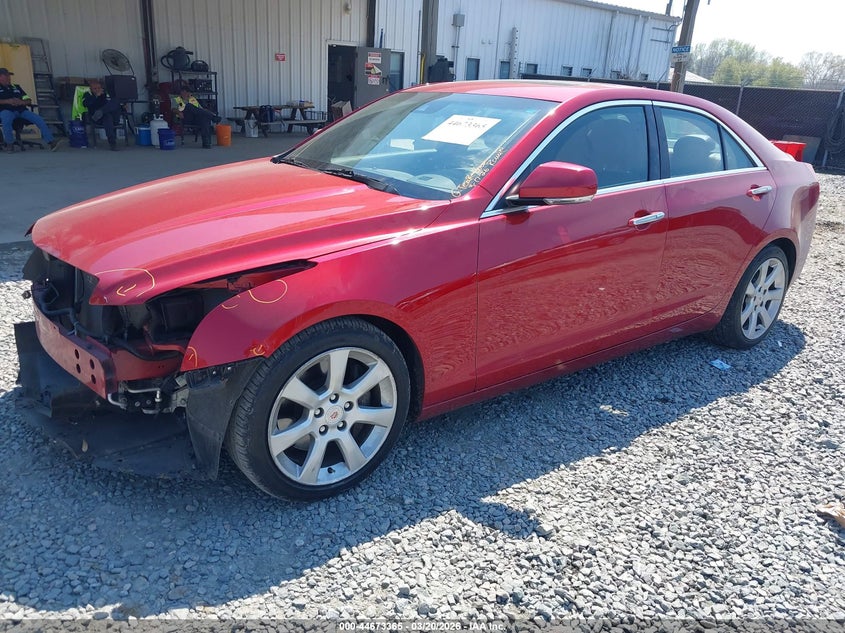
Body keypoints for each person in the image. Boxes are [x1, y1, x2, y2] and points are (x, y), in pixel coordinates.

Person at [0, 67, 62, 152]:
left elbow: (28, 100)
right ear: (0, 77)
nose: (9, 77)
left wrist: (21, 102)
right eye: (6, 76)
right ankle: (9, 144)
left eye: (9, 76)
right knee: (6, 120)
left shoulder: (16, 87)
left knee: (39, 119)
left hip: (21, 110)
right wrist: (7, 101)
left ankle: (51, 142)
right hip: (6, 110)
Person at [82, 79, 123, 151]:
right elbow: (86, 104)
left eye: (99, 88)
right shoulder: (87, 95)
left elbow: (114, 105)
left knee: (115, 101)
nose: (97, 90)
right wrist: (96, 96)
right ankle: (112, 143)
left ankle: (101, 111)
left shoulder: (105, 95)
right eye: (95, 89)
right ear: (91, 89)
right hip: (97, 119)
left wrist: (123, 106)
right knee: (107, 117)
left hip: (114, 117)